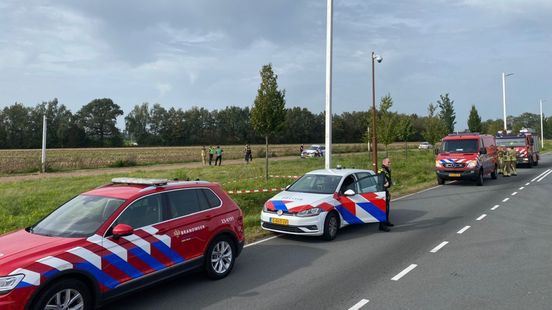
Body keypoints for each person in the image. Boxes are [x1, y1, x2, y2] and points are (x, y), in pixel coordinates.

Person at [378, 158, 393, 232]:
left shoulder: (387, 169)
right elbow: (380, 181)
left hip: (385, 191)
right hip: (382, 191)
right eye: (388, 162)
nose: (390, 163)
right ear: (384, 162)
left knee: (387, 207)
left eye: (390, 162)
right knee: (383, 209)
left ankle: (386, 221)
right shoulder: (381, 170)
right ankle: (382, 225)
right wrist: (385, 185)